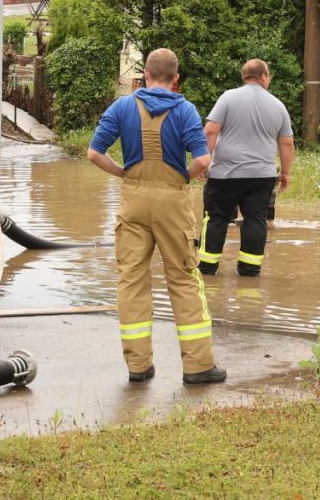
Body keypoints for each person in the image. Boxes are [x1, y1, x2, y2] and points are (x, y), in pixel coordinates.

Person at [87, 48, 226, 385]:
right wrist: (184, 177)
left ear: (145, 75)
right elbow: (204, 161)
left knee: (131, 280)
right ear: (175, 79)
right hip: (172, 203)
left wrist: (123, 174)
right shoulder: (185, 109)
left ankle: (138, 366)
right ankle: (198, 366)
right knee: (183, 280)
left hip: (133, 201)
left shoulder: (122, 106)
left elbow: (94, 153)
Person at [198, 59, 294, 277]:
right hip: (261, 177)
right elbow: (287, 143)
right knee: (255, 220)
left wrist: (204, 160)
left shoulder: (228, 98)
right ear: (263, 77)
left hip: (224, 175)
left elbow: (210, 131)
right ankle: (250, 270)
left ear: (244, 77)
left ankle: (207, 267)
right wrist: (285, 173)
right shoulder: (277, 105)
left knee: (216, 218)